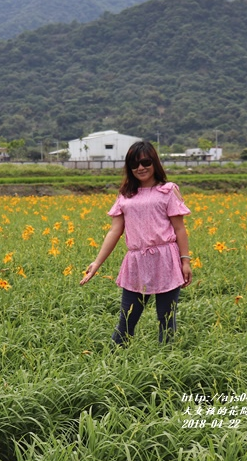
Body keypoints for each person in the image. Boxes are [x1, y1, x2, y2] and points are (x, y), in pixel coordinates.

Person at [80, 140, 192, 346]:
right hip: (136, 262)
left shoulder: (168, 190)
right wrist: (97, 263)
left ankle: (167, 365)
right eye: (134, 164)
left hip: (166, 260)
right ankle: (112, 362)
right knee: (126, 321)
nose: (140, 168)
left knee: (166, 321)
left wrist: (185, 260)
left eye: (146, 162)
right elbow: (115, 231)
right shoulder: (125, 195)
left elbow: (179, 229)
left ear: (154, 163)